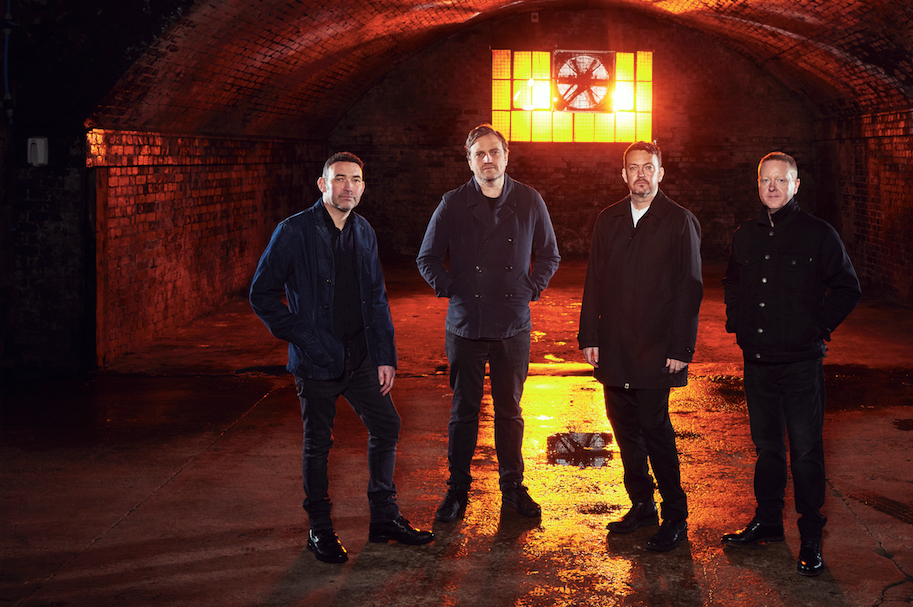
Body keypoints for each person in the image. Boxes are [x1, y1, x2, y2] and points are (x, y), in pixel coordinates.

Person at [249, 152, 434, 564]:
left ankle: (384, 518)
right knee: (318, 445)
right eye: (339, 179)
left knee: (387, 425)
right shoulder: (293, 231)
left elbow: (376, 297)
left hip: (361, 356)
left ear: (363, 186)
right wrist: (305, 336)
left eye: (355, 180)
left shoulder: (364, 230)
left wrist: (385, 354)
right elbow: (261, 294)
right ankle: (320, 530)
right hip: (316, 361)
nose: (347, 186)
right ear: (323, 184)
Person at [721, 152, 861, 577]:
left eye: (782, 180)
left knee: (804, 452)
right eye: (766, 180)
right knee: (766, 449)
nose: (773, 187)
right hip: (758, 362)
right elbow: (732, 282)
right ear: (758, 184)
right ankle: (767, 522)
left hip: (800, 364)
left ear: (796, 185)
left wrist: (815, 326)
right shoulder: (745, 235)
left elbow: (847, 288)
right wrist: (738, 322)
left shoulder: (819, 235)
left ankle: (811, 536)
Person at [417, 124, 561, 521]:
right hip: (466, 324)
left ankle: (513, 489)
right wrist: (452, 288)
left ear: (506, 156)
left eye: (494, 152)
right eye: (479, 154)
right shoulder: (453, 202)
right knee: (464, 411)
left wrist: (531, 287)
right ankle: (457, 491)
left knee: (509, 411)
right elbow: (426, 257)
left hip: (513, 323)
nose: (488, 160)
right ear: (469, 160)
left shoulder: (529, 200)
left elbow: (550, 254)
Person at [578, 141, 703, 553]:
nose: (641, 175)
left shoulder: (678, 221)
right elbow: (594, 279)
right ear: (623, 174)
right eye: (633, 169)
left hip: (657, 347)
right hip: (615, 345)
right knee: (625, 431)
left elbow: (689, 288)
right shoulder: (608, 219)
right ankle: (642, 506)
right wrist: (590, 336)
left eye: (648, 167)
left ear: (661, 172)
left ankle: (676, 515)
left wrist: (681, 347)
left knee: (656, 430)